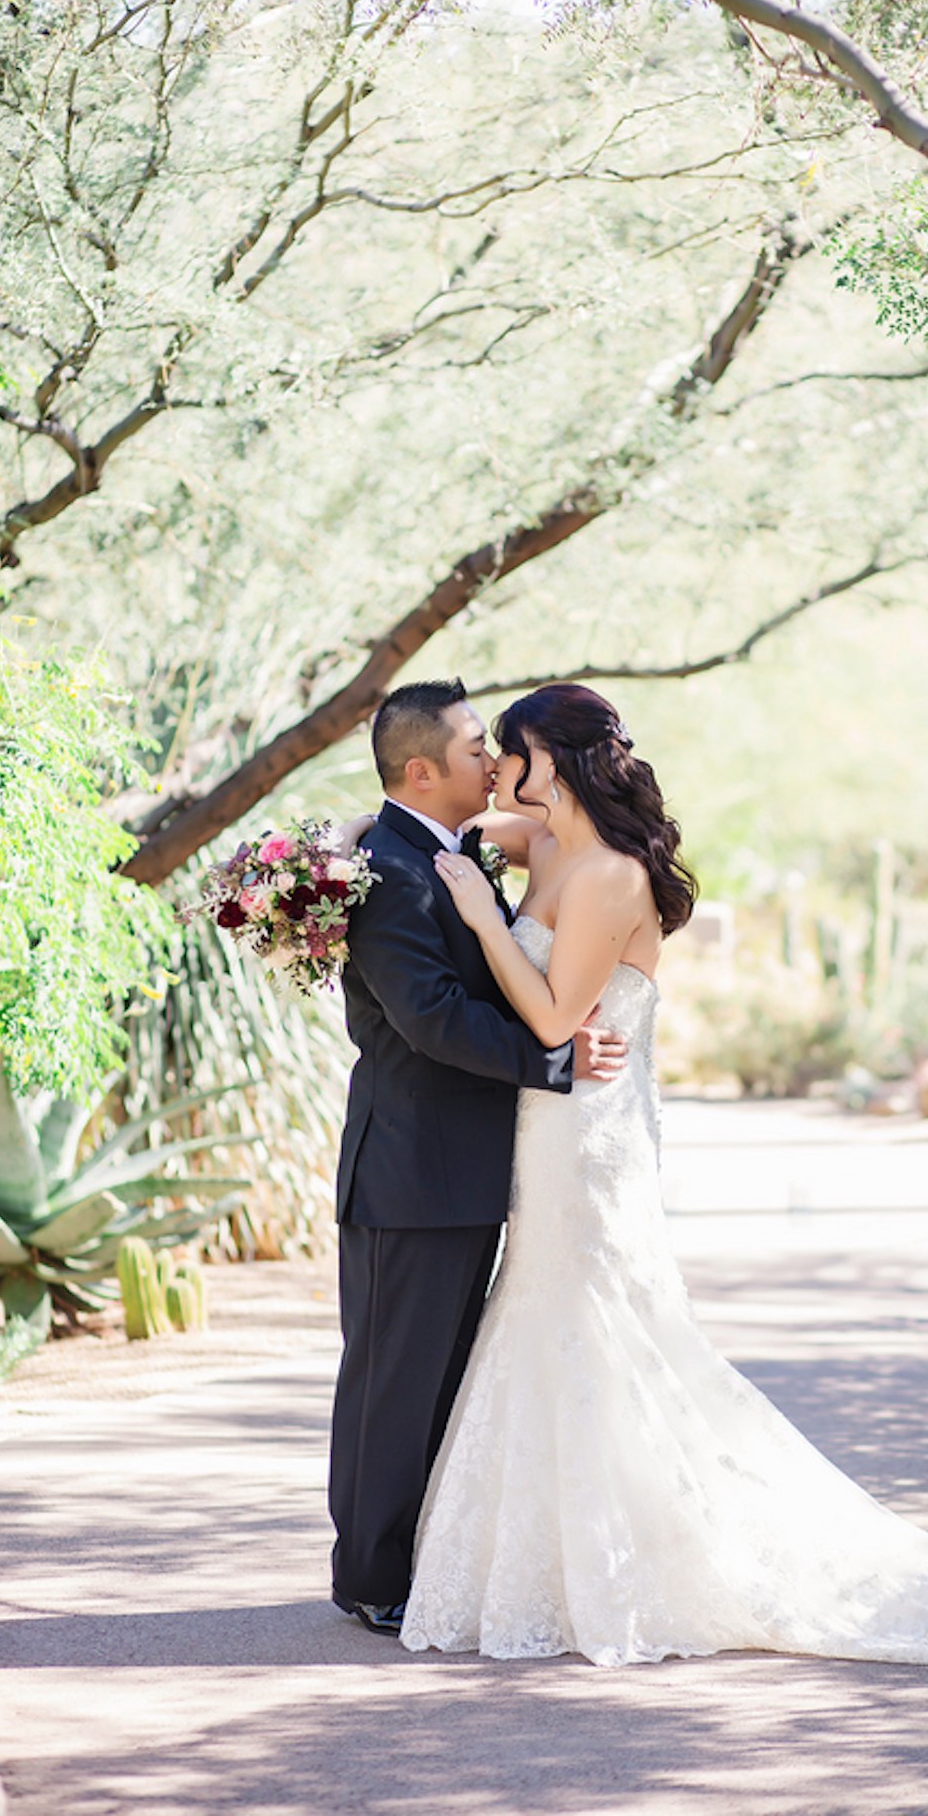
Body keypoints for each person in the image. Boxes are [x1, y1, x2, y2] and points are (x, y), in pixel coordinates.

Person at [399, 681, 928, 1666]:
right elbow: (447, 830)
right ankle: (543, 1559)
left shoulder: (612, 878)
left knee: (597, 1318)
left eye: (513, 748)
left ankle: (642, 1563)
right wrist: (343, 858)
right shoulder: (545, 845)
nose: (499, 765)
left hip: (590, 1137)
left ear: (557, 756)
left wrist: (477, 914)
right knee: (543, 1314)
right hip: (541, 1130)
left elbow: (552, 1020)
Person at [329, 679, 626, 1634]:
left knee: (445, 1381)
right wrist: (555, 1055)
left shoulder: (445, 853)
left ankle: (421, 1562)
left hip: (469, 1171)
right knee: (393, 1383)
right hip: (408, 1174)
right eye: (472, 749)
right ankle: (371, 1578)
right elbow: (431, 1021)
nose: (491, 763)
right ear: (422, 770)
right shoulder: (390, 871)